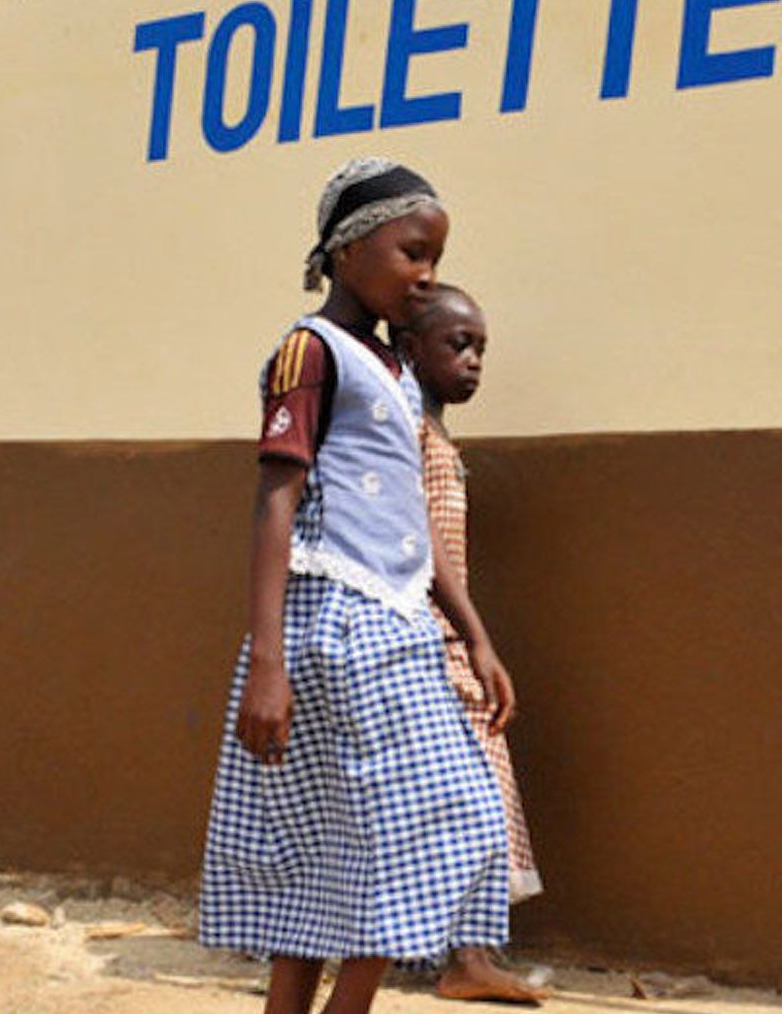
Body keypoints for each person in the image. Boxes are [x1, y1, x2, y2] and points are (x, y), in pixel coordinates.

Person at [199, 158, 517, 1014]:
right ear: (348, 250)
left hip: (399, 628)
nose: (426, 276)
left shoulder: (397, 371)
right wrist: (268, 662)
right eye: (413, 252)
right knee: (363, 843)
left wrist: (475, 634)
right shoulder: (312, 351)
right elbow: (277, 497)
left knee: (400, 837)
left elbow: (413, 519)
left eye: (436, 258)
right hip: (330, 630)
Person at [398, 284, 549, 1006]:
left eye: (480, 348)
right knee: (472, 791)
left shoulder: (434, 432)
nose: (473, 361)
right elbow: (421, 551)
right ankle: (467, 957)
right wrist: (474, 639)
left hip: (449, 638)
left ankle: (466, 952)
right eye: (457, 345)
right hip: (428, 641)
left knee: (470, 791)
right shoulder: (405, 430)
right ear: (408, 349)